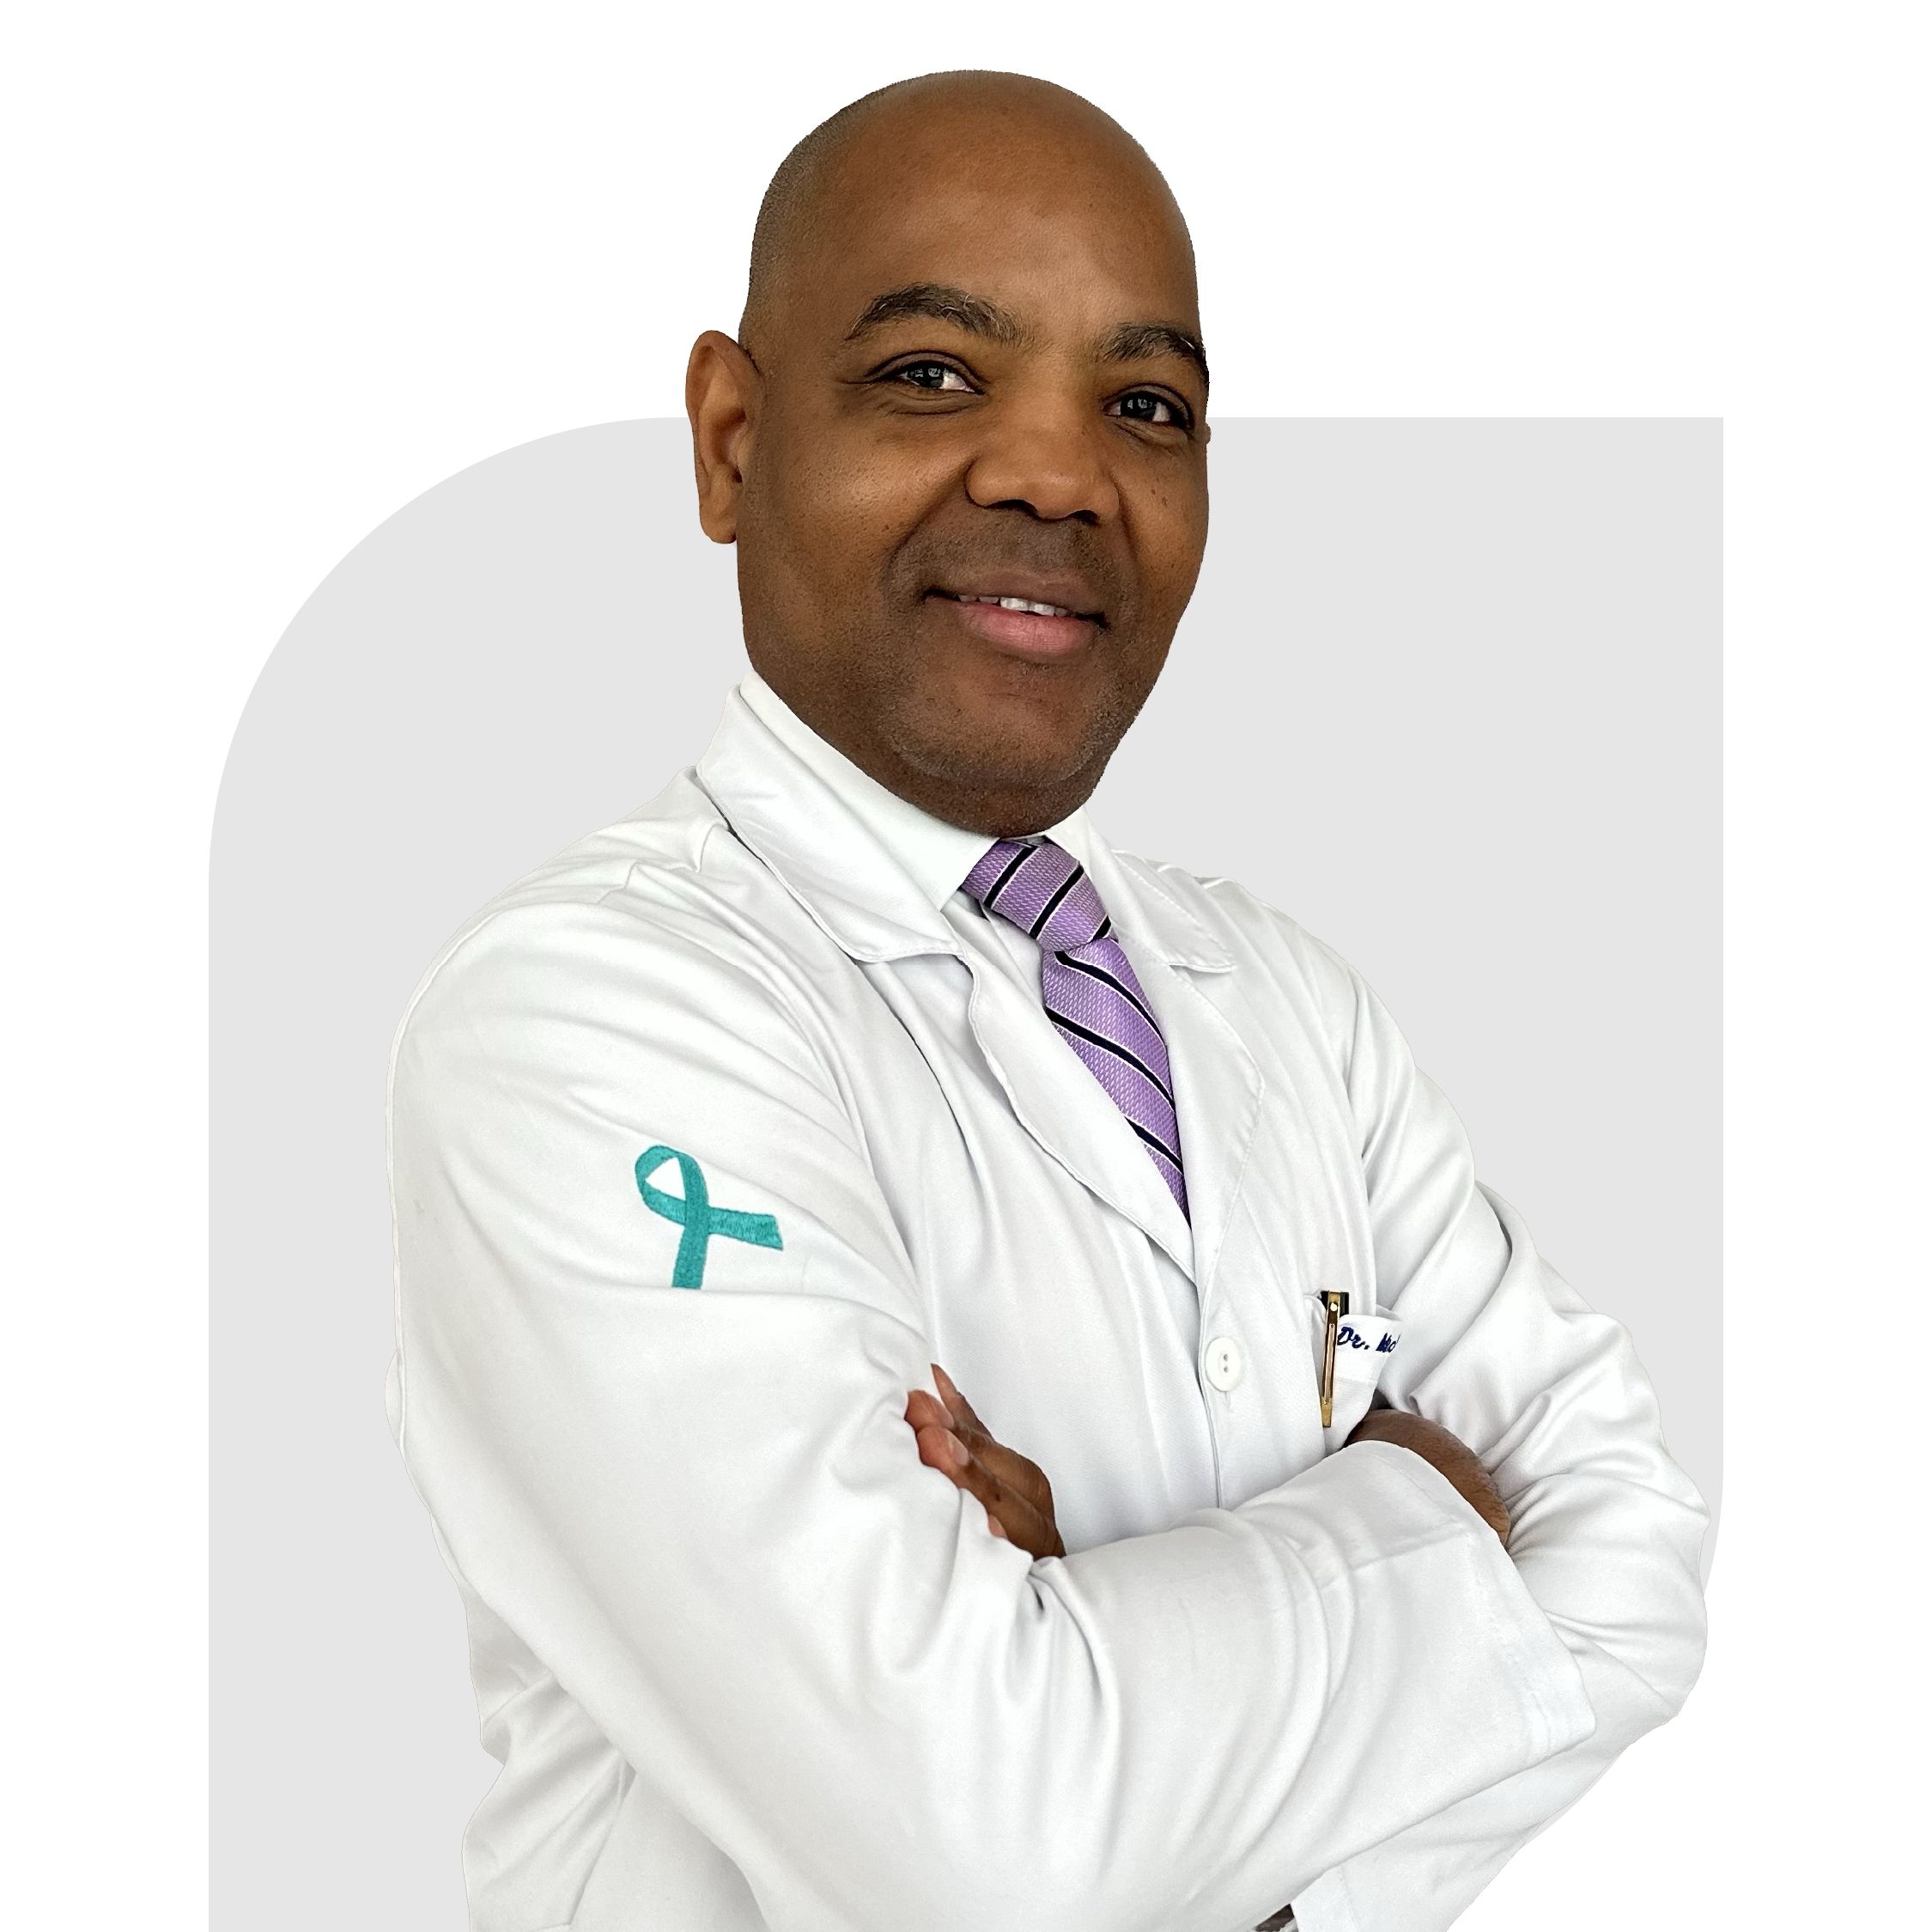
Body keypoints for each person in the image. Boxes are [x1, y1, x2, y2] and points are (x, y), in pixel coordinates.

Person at [386, 69, 1708, 1932]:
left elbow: (1632, 1566)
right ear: (732, 442)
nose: (1058, 474)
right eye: (933, 373)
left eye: (1145, 407)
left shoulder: (1290, 1003)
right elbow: (974, 1842)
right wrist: (1427, 1507)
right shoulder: (585, 1019)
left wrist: (1092, 1639)